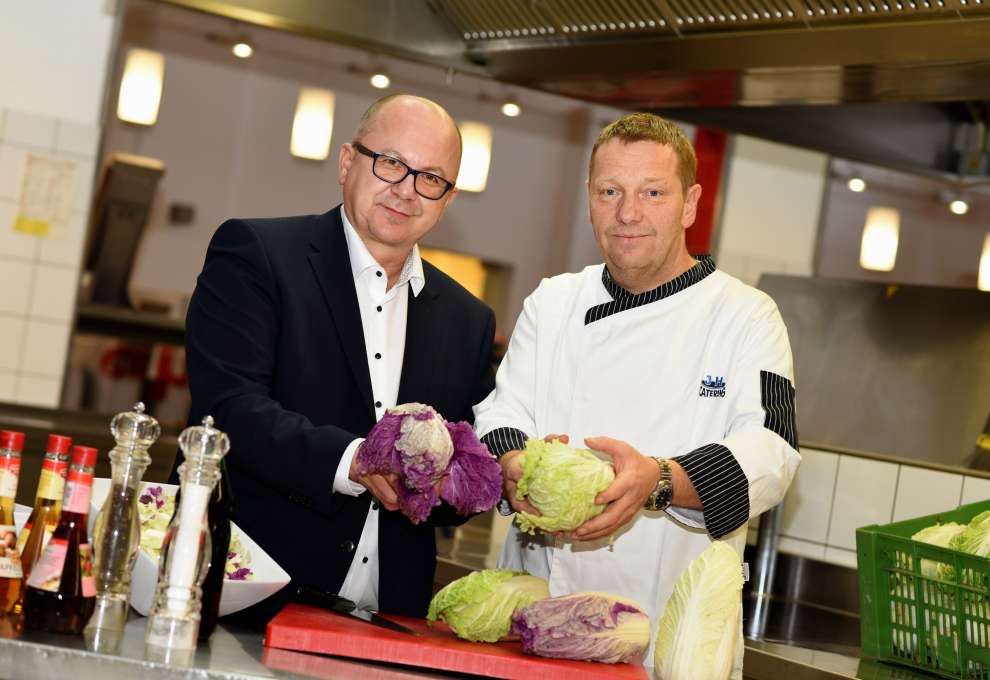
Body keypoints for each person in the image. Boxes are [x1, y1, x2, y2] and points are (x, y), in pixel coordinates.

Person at [474, 112, 801, 676]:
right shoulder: (553, 303)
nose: (628, 213)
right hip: (539, 617)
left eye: (653, 192)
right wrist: (513, 461)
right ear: (590, 198)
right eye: (610, 191)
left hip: (669, 642)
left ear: (690, 203)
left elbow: (773, 450)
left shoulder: (746, 316)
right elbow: (503, 411)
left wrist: (660, 479)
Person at [182, 94, 496, 622]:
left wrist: (481, 476)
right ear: (348, 162)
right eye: (391, 163)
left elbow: (460, 479)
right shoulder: (257, 254)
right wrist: (354, 460)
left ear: (447, 199)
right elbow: (227, 409)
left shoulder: (468, 320)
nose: (407, 190)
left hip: (387, 619)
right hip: (245, 598)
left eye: (431, 178)